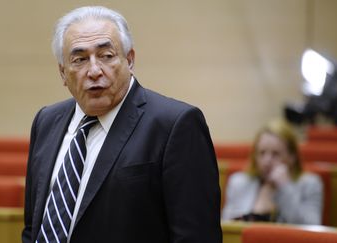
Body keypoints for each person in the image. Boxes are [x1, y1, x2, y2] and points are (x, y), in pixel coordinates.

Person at [21, 6, 222, 243]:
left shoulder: (175, 125)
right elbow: (34, 227)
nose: (94, 71)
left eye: (106, 56)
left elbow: (196, 237)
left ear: (129, 60)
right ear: (63, 73)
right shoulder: (46, 121)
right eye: (80, 59)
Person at [222, 119, 323, 224]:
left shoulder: (310, 185)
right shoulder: (239, 182)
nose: (267, 161)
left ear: (292, 157)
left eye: (275, 154)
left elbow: (311, 227)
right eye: (262, 153)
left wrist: (285, 187)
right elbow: (227, 227)